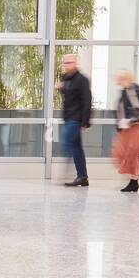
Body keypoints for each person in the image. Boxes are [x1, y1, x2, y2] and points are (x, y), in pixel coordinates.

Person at [59, 53, 93, 187]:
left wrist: (85, 121)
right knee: (76, 147)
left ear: (76, 63)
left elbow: (87, 100)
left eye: (69, 62)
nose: (66, 65)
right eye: (65, 63)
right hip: (68, 117)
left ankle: (69, 173)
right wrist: (61, 88)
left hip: (76, 118)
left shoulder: (82, 79)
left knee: (67, 144)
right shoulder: (67, 79)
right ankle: (82, 177)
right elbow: (70, 95)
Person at [112, 68, 139, 193]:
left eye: (119, 77)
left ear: (125, 77)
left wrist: (132, 119)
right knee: (120, 152)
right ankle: (136, 178)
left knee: (132, 153)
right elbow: (120, 110)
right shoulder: (123, 91)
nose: (116, 79)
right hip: (126, 128)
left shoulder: (135, 88)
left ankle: (135, 180)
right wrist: (120, 125)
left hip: (137, 126)